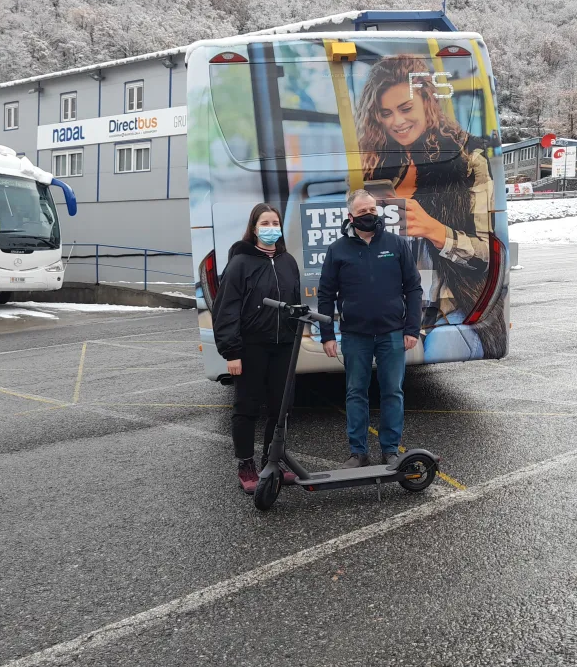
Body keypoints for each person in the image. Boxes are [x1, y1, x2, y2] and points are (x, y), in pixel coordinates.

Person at [355, 55, 506, 360]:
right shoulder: (380, 165)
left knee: (428, 351)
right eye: (386, 113)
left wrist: (434, 230)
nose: (397, 121)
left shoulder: (468, 159)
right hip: (391, 307)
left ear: (427, 100)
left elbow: (486, 256)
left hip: (452, 308)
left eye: (406, 108)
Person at [317, 189, 423, 468]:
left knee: (392, 392)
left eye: (372, 210)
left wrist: (412, 329)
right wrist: (327, 335)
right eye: (362, 212)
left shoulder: (397, 245)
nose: (369, 215)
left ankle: (390, 449)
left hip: (392, 334)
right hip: (355, 336)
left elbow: (413, 288)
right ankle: (358, 452)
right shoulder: (337, 250)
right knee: (355, 393)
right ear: (350, 216)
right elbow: (326, 295)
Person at [212, 203, 301, 493]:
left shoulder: (288, 262)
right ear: (254, 228)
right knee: (246, 407)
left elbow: (294, 302)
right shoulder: (240, 263)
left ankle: (271, 462)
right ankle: (246, 465)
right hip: (251, 347)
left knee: (281, 407)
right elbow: (226, 311)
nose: (271, 227)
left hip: (283, 346)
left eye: (275, 222)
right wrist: (232, 352)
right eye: (265, 223)